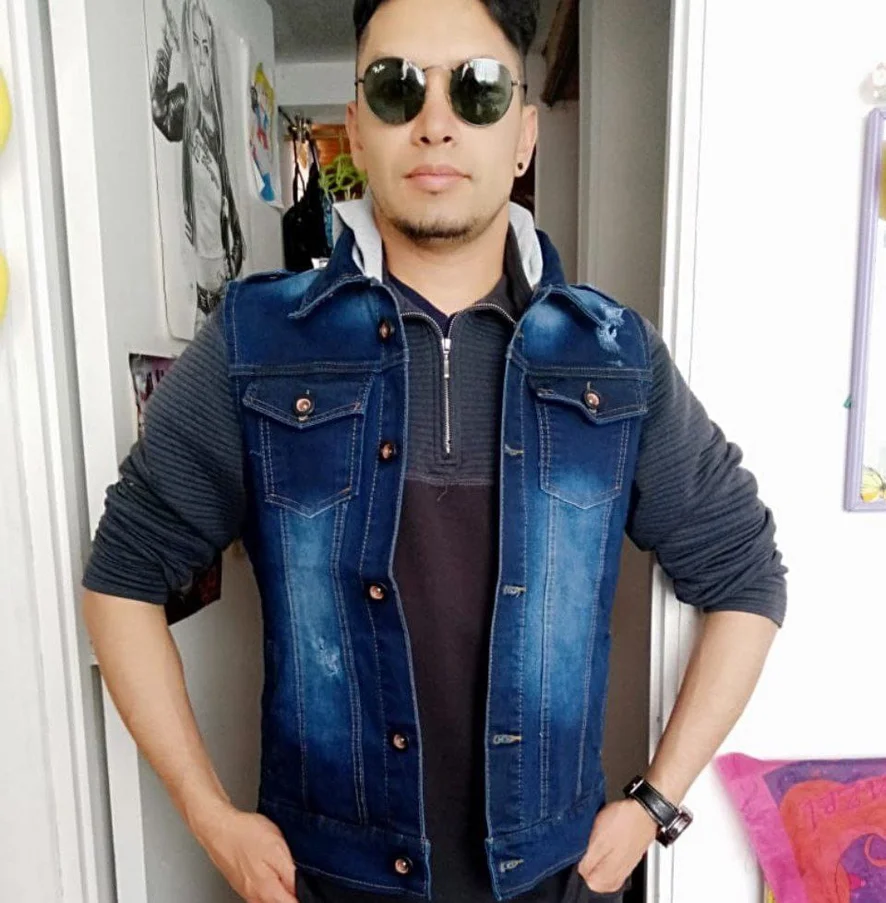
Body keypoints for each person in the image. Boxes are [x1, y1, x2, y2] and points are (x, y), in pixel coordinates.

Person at [82, 1, 788, 902]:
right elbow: (122, 578)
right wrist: (208, 814)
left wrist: (655, 801)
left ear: (523, 135)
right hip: (330, 881)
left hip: (554, 880)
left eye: (478, 88)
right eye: (397, 86)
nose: (436, 121)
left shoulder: (613, 357)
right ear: (356, 129)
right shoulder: (258, 343)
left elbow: (746, 578)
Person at [150, 0, 245, 331]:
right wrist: (165, 51)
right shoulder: (185, 104)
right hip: (202, 277)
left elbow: (227, 197)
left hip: (224, 271)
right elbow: (159, 113)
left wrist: (234, 254)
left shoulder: (219, 117)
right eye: (195, 44)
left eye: (207, 47)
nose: (203, 57)